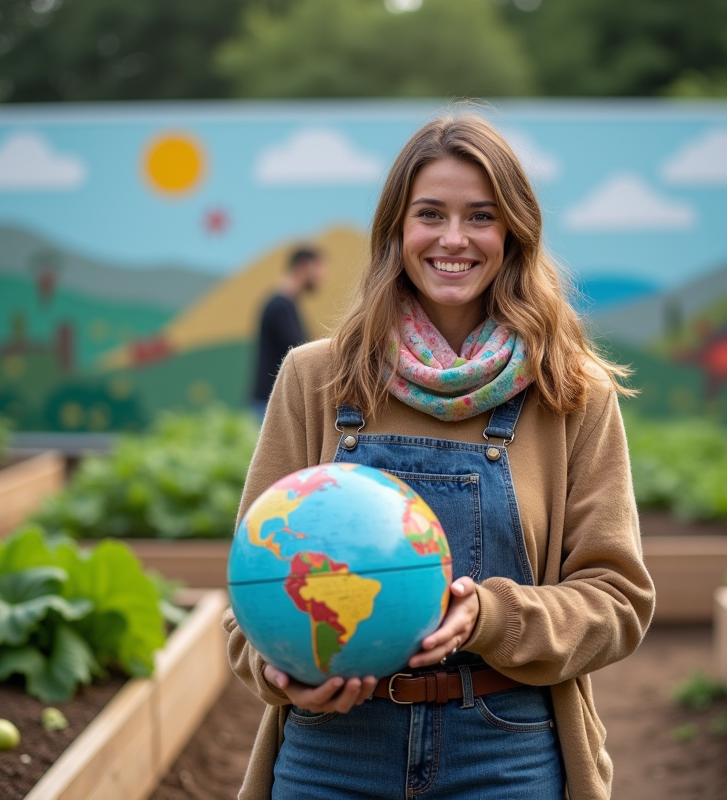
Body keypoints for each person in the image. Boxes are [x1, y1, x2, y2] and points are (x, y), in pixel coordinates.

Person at [224, 115, 655, 800]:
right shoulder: (315, 379)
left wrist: (492, 618)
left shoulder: (572, 391)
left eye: (480, 216)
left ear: (513, 232)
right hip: (333, 754)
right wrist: (283, 673)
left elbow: (618, 601)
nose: (454, 239)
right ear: (397, 229)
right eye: (431, 214)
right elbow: (250, 595)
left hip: (504, 751)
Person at [251, 246, 326, 416]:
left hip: (270, 401)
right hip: (270, 403)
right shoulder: (281, 306)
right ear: (303, 266)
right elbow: (299, 350)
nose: (322, 277)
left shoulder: (285, 304)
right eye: (318, 269)